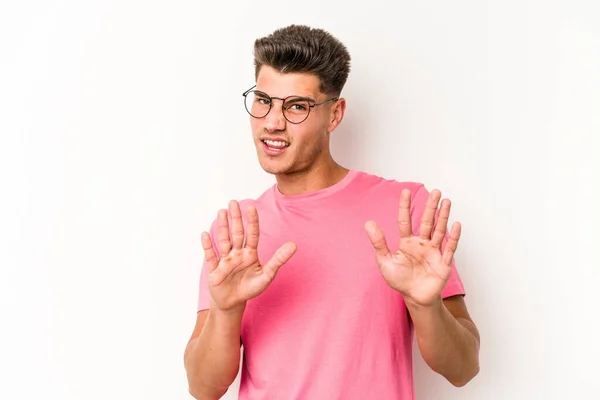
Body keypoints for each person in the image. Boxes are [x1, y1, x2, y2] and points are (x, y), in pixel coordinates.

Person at [183, 24, 480, 400]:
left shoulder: (406, 211)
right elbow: (202, 387)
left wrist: (426, 306)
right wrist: (225, 312)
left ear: (334, 115)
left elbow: (464, 367)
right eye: (263, 100)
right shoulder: (237, 230)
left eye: (296, 106)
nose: (273, 122)